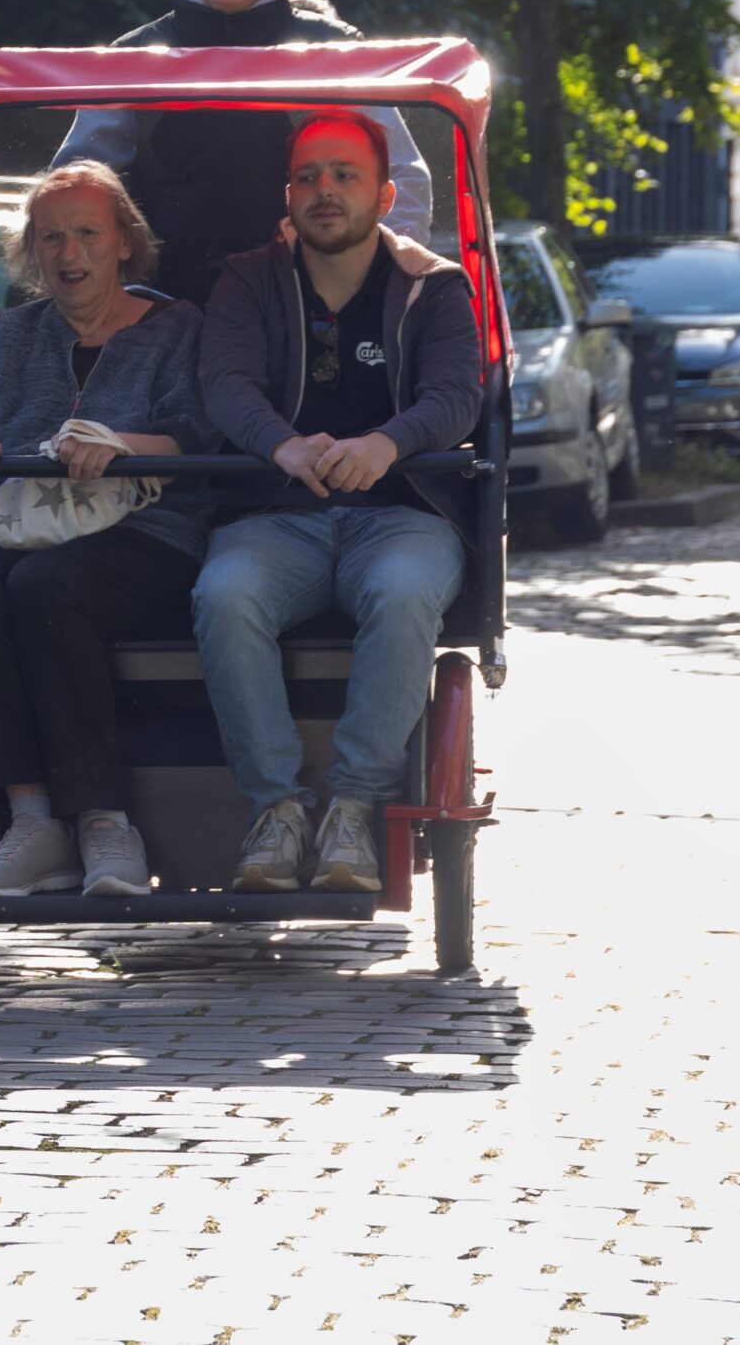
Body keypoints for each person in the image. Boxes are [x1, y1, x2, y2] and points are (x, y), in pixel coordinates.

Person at [190, 109, 481, 894]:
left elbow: (458, 396)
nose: (326, 191)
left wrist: (387, 442)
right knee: (225, 593)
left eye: (345, 175)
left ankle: (355, 805)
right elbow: (225, 382)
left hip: (403, 514)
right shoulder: (248, 280)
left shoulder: (434, 285)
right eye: (309, 176)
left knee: (404, 590)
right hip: (277, 514)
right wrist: (282, 444)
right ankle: (278, 811)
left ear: (385, 195)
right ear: (287, 195)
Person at [0, 161, 214, 901]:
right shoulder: (12, 332)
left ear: (124, 242)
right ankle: (31, 820)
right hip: (25, 517)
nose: (68, 252)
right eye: (51, 237)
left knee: (45, 588)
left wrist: (122, 444)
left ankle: (104, 821)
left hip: (145, 522)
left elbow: (195, 433)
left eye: (87, 233)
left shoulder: (174, 326)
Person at [54, 0, 431, 300]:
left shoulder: (332, 53)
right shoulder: (133, 61)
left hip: (308, 312)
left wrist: (371, 289)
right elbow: (73, 192)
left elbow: (403, 179)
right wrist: (109, 303)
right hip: (163, 313)